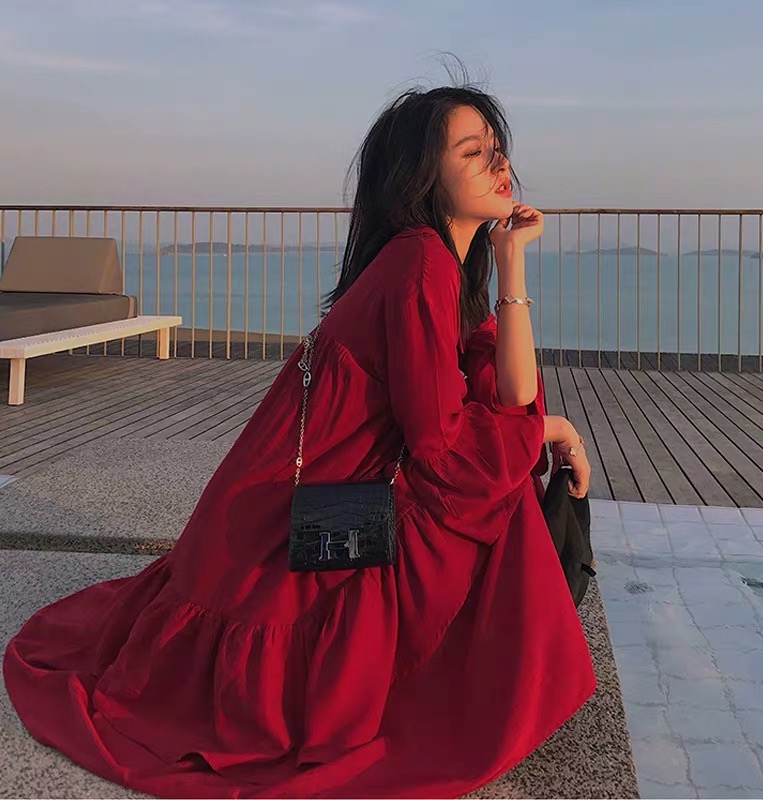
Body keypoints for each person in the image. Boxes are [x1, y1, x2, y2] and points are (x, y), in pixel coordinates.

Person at [4, 81, 595, 799]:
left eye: (496, 149)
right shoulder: (419, 262)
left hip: (304, 488)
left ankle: (494, 671)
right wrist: (547, 431)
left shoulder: (443, 263)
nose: (498, 164)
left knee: (502, 459)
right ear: (421, 176)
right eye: (472, 152)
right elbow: (442, 447)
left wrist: (510, 258)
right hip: (295, 512)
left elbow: (512, 393)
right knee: (493, 486)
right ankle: (495, 685)